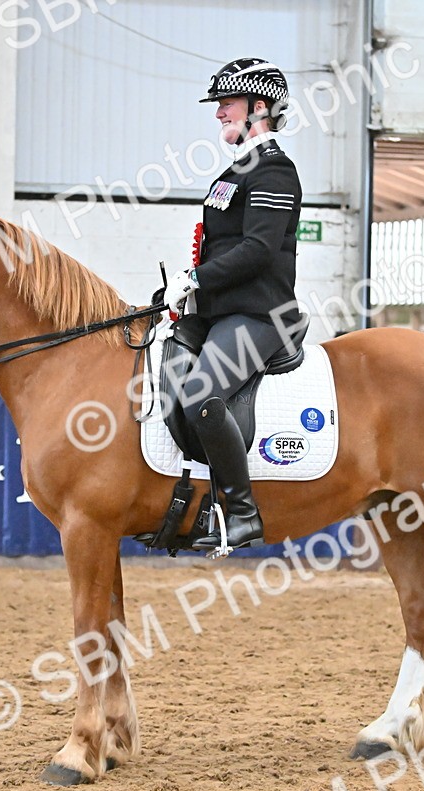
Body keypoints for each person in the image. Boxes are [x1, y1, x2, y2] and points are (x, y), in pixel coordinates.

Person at [162, 58, 302, 552]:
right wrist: (186, 295)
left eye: (228, 103)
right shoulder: (235, 171)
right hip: (218, 310)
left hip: (261, 314)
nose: (219, 113)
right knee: (160, 368)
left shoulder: (274, 171)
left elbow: (257, 250)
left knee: (202, 394)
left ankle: (240, 512)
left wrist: (196, 277)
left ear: (258, 107)